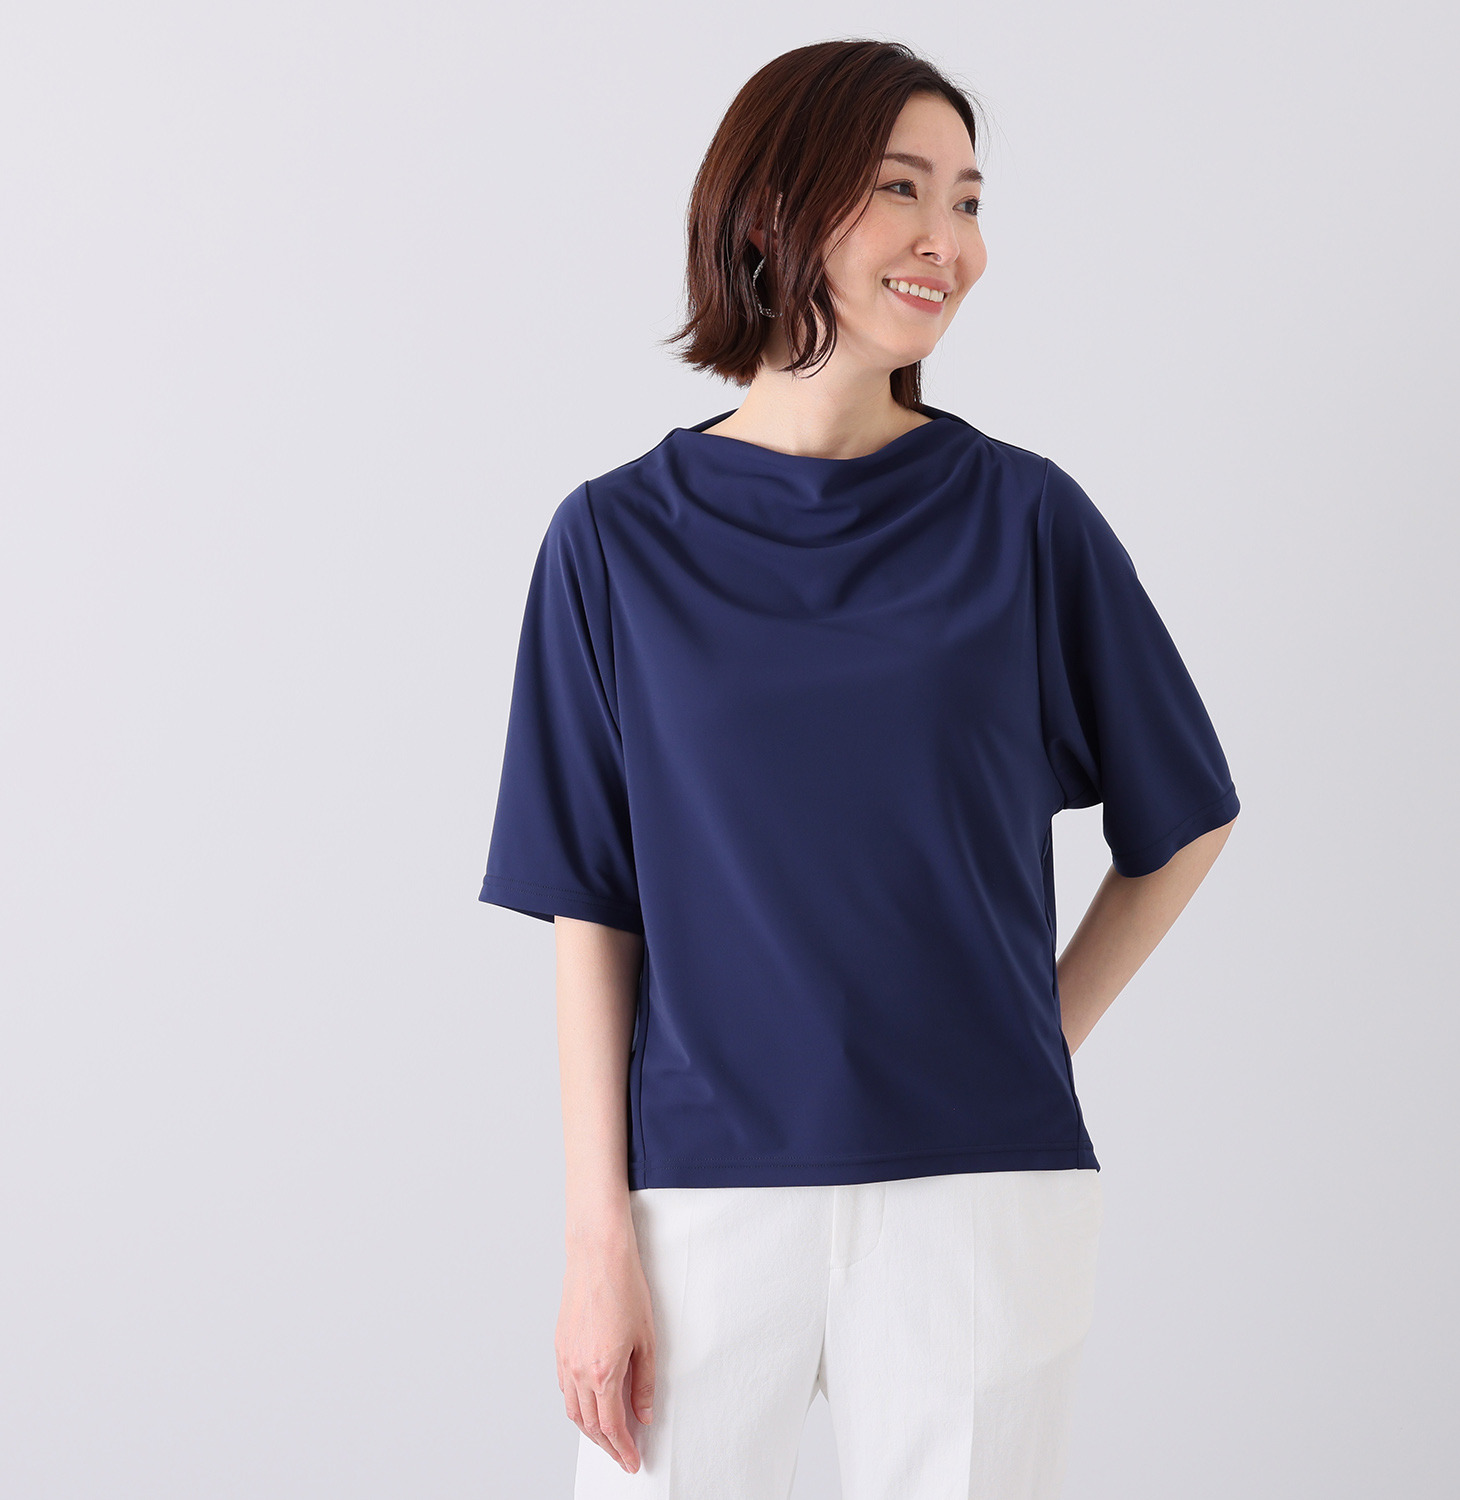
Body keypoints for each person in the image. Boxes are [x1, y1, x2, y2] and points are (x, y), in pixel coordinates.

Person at [478, 39, 1240, 1500]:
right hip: (696, 1201)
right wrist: (595, 1241)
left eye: (969, 199)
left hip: (978, 1197)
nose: (950, 240)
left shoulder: (1025, 521)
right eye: (902, 189)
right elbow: (592, 903)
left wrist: (1035, 1037)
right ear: (775, 204)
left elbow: (1183, 820)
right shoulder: (612, 543)